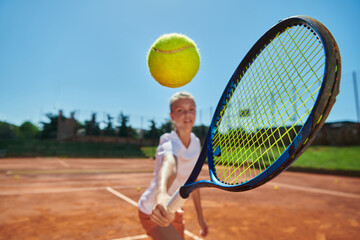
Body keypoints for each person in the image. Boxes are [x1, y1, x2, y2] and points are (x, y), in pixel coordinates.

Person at [138, 92, 209, 240]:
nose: (187, 114)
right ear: (172, 116)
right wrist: (161, 194)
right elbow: (170, 165)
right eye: (180, 110)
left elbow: (193, 183)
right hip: (154, 210)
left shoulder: (196, 143)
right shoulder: (168, 141)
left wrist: (200, 217)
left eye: (191, 109)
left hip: (174, 208)